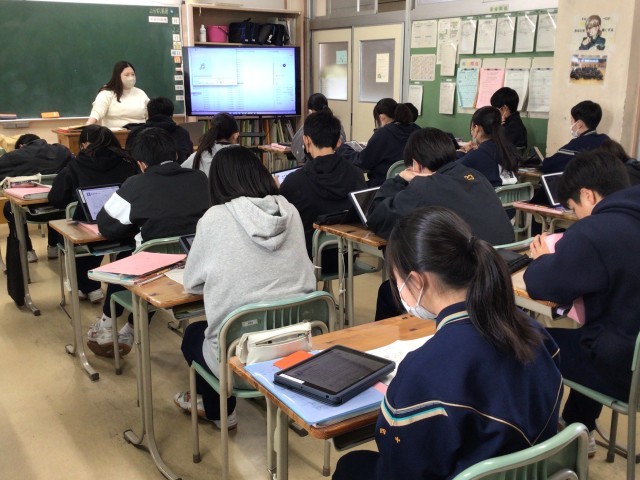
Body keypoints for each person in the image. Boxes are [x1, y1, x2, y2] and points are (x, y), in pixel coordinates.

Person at [333, 206, 562, 480]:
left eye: (396, 279)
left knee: (350, 466)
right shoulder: (535, 333)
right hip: (526, 471)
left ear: (416, 281)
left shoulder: (421, 372)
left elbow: (401, 465)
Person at [173, 145, 316, 428]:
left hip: (241, 355)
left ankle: (219, 411)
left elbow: (192, 283)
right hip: (297, 348)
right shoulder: (290, 210)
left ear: (218, 182)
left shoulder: (214, 217)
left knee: (193, 334)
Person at [524, 150, 639, 456]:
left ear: (588, 195)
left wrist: (542, 259)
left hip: (626, 373)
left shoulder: (595, 231)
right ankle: (580, 425)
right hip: (630, 349)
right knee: (594, 334)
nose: (576, 217)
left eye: (574, 209)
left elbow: (540, 285)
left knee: (526, 340)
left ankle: (543, 439)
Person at [86, 127, 210, 358]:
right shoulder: (200, 178)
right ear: (175, 155)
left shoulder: (135, 184)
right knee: (151, 259)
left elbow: (107, 225)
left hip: (153, 270)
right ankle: (130, 330)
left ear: (141, 163)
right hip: (197, 262)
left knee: (128, 260)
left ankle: (106, 326)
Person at [368, 127, 514, 320]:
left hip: (467, 284)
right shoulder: (476, 176)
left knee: (388, 292)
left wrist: (399, 179)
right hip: (503, 271)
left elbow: (376, 217)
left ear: (415, 164)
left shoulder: (424, 187)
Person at [48, 125, 137, 303]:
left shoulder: (76, 165)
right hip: (127, 230)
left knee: (77, 228)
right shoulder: (129, 162)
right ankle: (109, 284)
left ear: (83, 145)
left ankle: (88, 286)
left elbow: (56, 198)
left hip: (88, 233)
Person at [280, 110, 366, 265]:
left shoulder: (294, 181)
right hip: (347, 258)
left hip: (308, 260)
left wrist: (276, 193)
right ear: (338, 142)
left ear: (306, 141)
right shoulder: (357, 174)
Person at [0, 134, 73, 261]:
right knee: (55, 197)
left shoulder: (13, 157)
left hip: (29, 211)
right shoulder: (62, 151)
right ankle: (53, 246)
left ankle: (28, 251)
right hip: (63, 210)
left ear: (21, 146)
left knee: (9, 207)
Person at [340, 98, 420, 187]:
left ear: (382, 117)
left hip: (381, 186)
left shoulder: (383, 133)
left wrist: (344, 148)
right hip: (411, 185)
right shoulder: (418, 131)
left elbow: (363, 162)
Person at [457, 106, 519, 187]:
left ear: (476, 128)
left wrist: (461, 152)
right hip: (509, 194)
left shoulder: (477, 155)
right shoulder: (508, 150)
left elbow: (450, 170)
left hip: (486, 194)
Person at [542, 100, 609, 174]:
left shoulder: (577, 144)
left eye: (571, 121)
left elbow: (548, 165)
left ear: (579, 124)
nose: (571, 124)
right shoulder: (606, 140)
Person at [126, 97, 193, 163]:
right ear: (171, 114)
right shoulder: (182, 133)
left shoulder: (135, 133)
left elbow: (129, 158)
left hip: (143, 170)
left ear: (148, 114)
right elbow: (187, 157)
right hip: (177, 169)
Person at [86, 61, 149, 129]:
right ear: (118, 76)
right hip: (114, 133)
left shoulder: (141, 93)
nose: (131, 77)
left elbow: (151, 113)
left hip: (139, 132)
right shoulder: (107, 93)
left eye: (133, 74)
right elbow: (98, 110)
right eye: (126, 75)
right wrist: (89, 124)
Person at [291, 93, 347, 164]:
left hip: (314, 165)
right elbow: (343, 146)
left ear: (310, 111)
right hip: (336, 164)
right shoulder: (336, 124)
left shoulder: (309, 126)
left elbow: (297, 151)